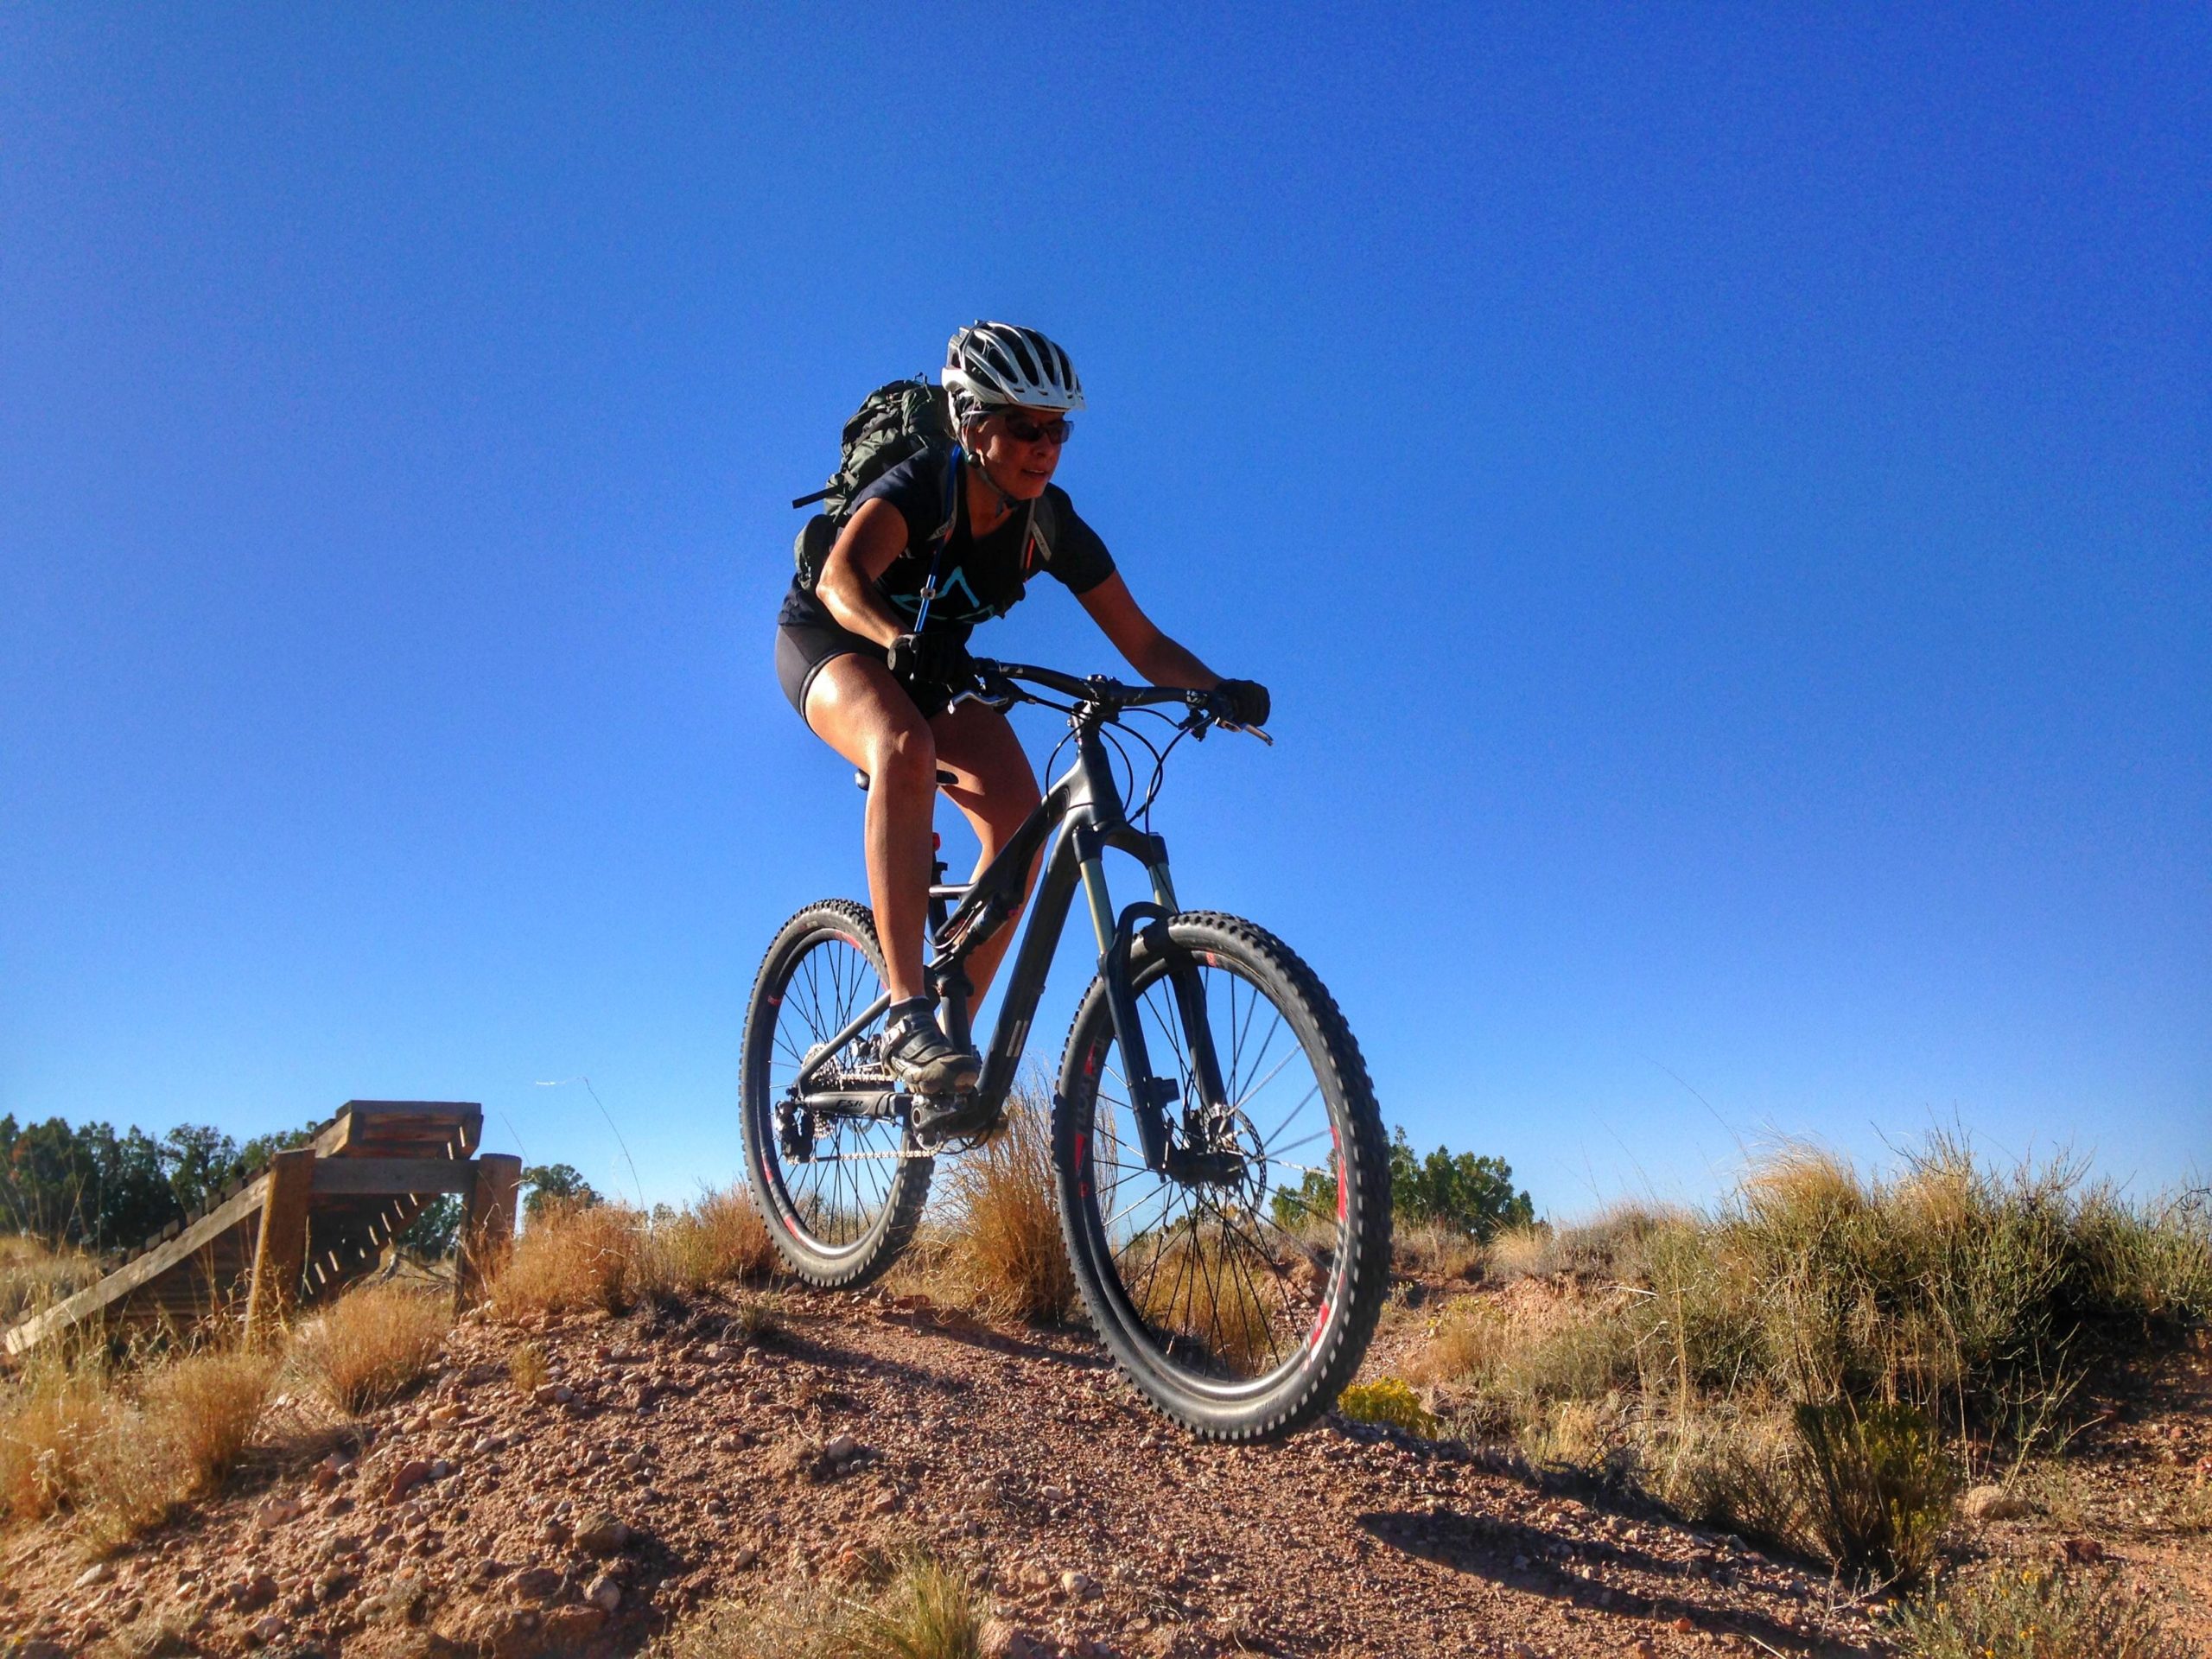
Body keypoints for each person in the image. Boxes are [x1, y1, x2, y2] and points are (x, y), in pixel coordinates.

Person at [773, 321, 1269, 1102]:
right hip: (833, 640)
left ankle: (950, 1034)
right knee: (900, 742)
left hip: (928, 665)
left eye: (1058, 429)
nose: (1045, 446)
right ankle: (907, 1016)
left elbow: (1141, 641)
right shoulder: (925, 484)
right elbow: (840, 580)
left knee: (1018, 823)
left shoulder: (1050, 526)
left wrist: (1218, 689)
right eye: (1024, 427)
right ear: (973, 427)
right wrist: (899, 637)